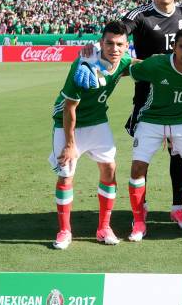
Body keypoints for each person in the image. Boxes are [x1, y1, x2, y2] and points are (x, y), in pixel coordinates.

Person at [80, 0, 182, 230]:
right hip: (147, 97)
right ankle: (141, 208)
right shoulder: (141, 15)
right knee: (142, 157)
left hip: (179, 98)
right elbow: (117, 33)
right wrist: (99, 51)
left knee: (178, 155)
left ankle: (177, 208)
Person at [49, 21, 132, 249]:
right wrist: (69, 144)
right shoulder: (83, 64)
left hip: (98, 123)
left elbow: (137, 65)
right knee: (66, 175)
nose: (114, 49)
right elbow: (68, 109)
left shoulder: (123, 61)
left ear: (126, 46)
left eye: (119, 44)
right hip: (68, 125)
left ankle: (104, 227)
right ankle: (64, 231)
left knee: (109, 168)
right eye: (109, 43)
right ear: (100, 43)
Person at [126, 27, 182, 241]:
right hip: (151, 120)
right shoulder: (157, 63)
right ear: (173, 47)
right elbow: (128, 68)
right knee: (138, 168)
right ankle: (138, 222)